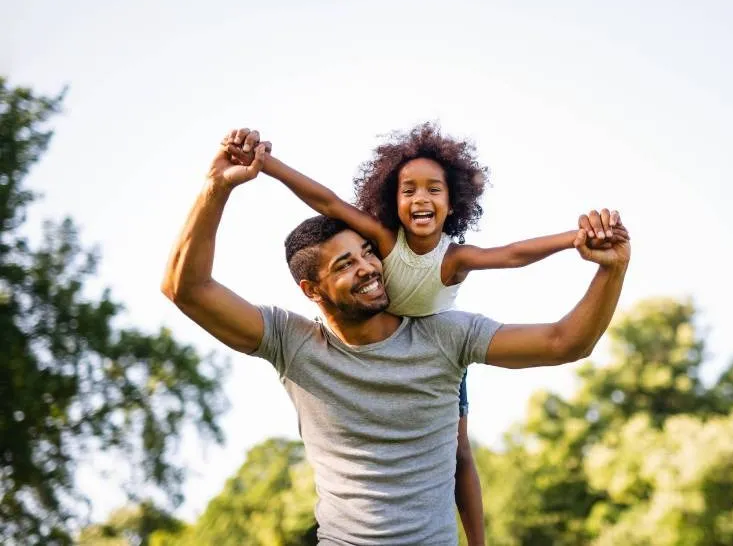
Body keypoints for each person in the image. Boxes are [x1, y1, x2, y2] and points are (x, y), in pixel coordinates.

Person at [161, 130, 630, 545]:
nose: (368, 267)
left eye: (367, 252)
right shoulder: (292, 342)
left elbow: (565, 342)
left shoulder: (447, 335)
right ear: (312, 290)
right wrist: (216, 187)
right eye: (345, 264)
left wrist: (611, 270)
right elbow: (186, 289)